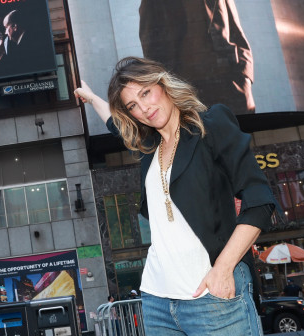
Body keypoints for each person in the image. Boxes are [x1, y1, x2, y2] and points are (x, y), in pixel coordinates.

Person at [74, 57, 275, 334]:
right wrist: (92, 97)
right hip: (157, 301)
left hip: (212, 294)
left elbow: (260, 199)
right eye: (133, 106)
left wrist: (223, 268)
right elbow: (114, 122)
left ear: (163, 84)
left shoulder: (210, 125)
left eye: (145, 93)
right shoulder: (149, 146)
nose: (143, 108)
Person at [138, 0, 254, 114]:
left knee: (242, 136)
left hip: (227, 81)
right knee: (200, 139)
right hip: (186, 88)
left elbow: (237, 33)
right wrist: (164, 90)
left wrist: (245, 77)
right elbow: (150, 47)